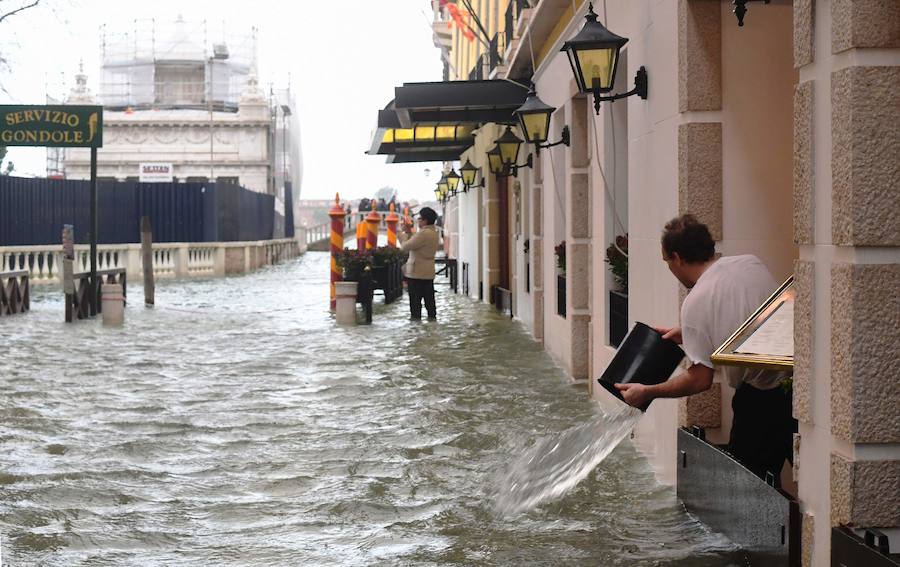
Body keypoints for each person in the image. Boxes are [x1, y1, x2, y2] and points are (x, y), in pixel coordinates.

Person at [615, 214, 795, 485]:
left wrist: (647, 392)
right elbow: (748, 322)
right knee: (813, 483)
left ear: (676, 258)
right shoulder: (749, 263)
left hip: (762, 399)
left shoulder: (696, 303)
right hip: (800, 387)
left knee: (749, 491)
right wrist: (688, 335)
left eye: (666, 261)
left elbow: (700, 380)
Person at [399, 206, 439, 320]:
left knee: (415, 306)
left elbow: (405, 247)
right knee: (430, 304)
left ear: (425, 220)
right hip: (428, 272)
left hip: (416, 273)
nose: (418, 221)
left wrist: (404, 235)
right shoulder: (433, 233)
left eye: (420, 218)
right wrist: (410, 233)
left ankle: (416, 331)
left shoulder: (423, 234)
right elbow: (417, 243)